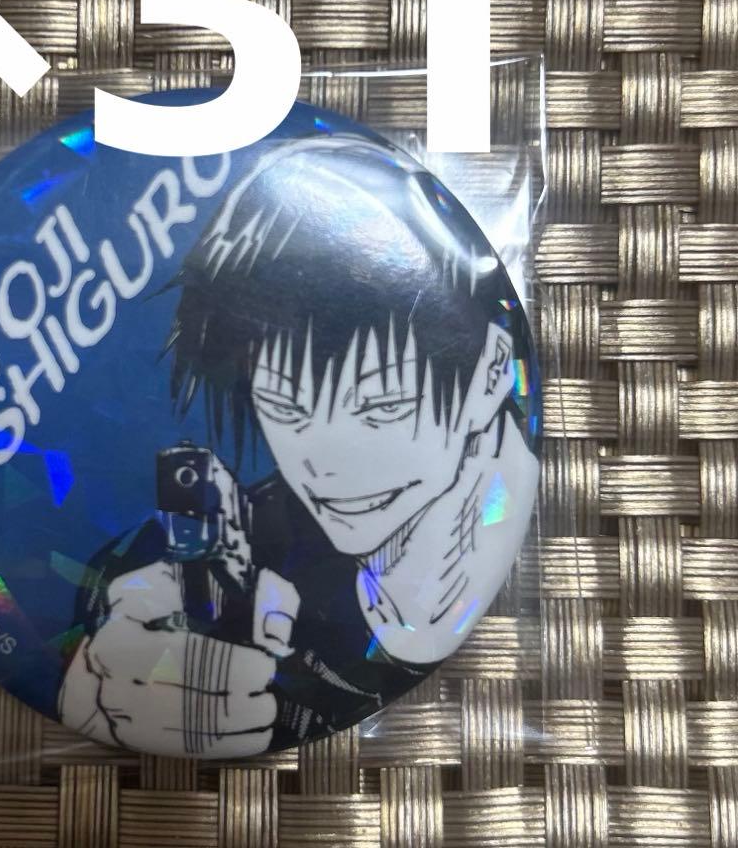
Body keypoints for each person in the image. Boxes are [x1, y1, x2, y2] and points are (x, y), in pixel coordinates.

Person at [58, 135, 540, 757]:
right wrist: (94, 690)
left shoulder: (546, 568)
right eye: (285, 407)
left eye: (383, 406)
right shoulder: (169, 567)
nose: (324, 468)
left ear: (492, 370)